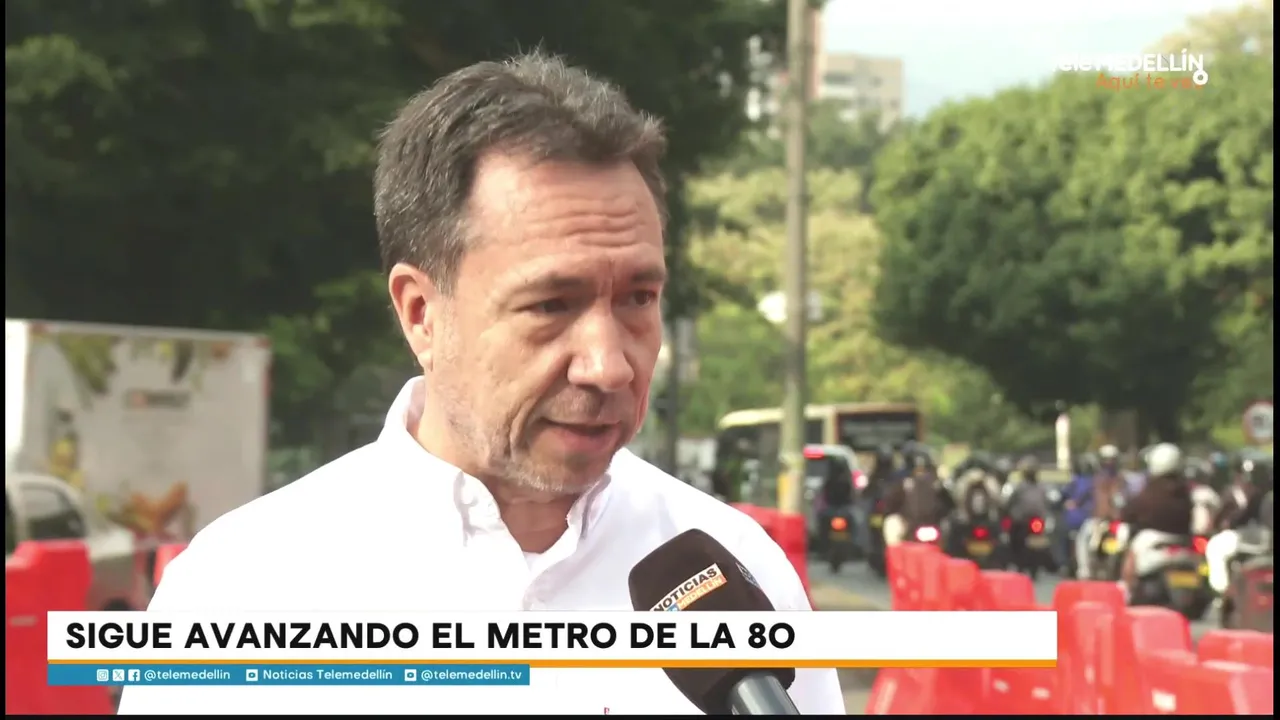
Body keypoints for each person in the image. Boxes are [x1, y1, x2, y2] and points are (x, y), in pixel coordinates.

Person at [118, 52, 844, 716]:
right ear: (421, 314)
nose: (609, 365)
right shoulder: (243, 591)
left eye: (638, 299)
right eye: (550, 305)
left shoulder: (737, 578)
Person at [1118, 443, 1194, 591]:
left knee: (1131, 552)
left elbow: (1131, 510)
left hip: (1152, 539)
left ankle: (1127, 589)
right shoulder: (1185, 491)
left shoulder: (1151, 490)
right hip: (1183, 540)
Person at [1205, 455, 1272, 600]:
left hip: (1257, 538)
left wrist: (1229, 523)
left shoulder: (1257, 495)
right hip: (1262, 538)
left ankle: (1222, 592)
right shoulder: (1262, 494)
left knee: (1214, 546)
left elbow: (1241, 518)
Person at [882, 446, 955, 547]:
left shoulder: (938, 485)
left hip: (934, 525)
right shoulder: (904, 485)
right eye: (918, 470)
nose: (921, 474)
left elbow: (950, 505)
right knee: (891, 523)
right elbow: (891, 505)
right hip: (910, 526)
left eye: (923, 470)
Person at [1075, 444, 1126, 579]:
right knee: (1083, 538)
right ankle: (1084, 570)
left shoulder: (1119, 480)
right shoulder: (1097, 480)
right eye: (1107, 460)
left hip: (1115, 522)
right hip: (1099, 521)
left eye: (1111, 460)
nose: (1109, 463)